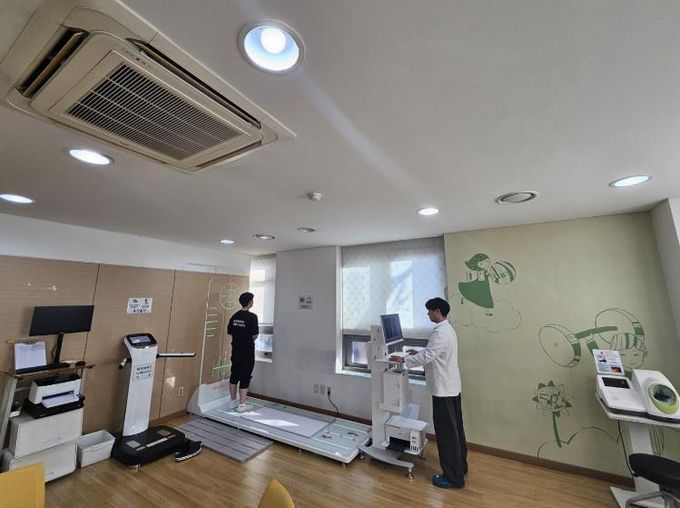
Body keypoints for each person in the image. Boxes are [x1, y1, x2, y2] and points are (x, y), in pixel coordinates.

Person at [389, 297, 468, 489]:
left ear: (437, 311)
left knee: (446, 434)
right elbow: (434, 352)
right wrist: (418, 352)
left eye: (429, 311)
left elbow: (429, 356)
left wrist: (404, 360)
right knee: (456, 430)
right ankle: (460, 467)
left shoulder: (440, 332)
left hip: (443, 390)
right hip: (451, 387)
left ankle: (453, 478)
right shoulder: (447, 329)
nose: (428, 314)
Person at [227, 292, 259, 412]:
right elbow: (254, 335)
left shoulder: (235, 316)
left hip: (236, 350)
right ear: (250, 302)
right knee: (245, 376)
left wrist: (239, 337)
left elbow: (230, 332)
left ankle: (232, 402)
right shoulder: (252, 317)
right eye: (252, 300)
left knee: (234, 375)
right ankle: (241, 405)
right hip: (247, 352)